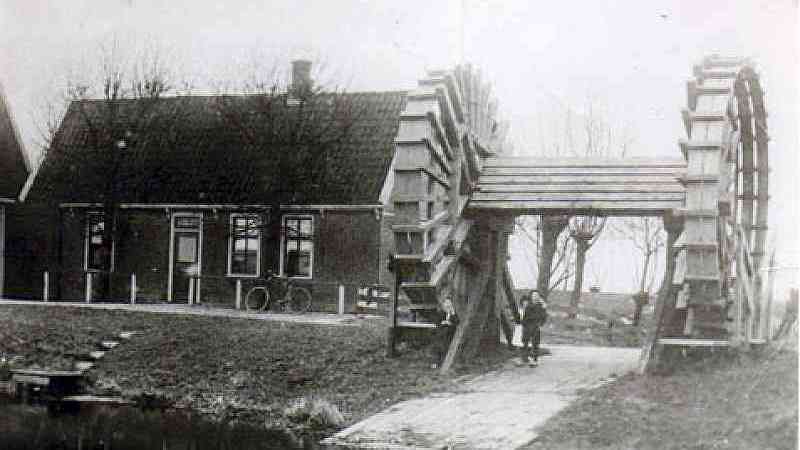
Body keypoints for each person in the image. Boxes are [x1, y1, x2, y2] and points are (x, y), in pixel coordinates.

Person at [520, 291, 548, 366]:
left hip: (536, 325)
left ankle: (534, 360)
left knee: (535, 343)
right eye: (534, 295)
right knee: (525, 342)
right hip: (527, 325)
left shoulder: (541, 306)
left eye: (537, 296)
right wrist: (523, 323)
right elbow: (524, 315)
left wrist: (541, 324)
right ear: (531, 297)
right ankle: (524, 358)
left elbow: (544, 316)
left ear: (539, 297)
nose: (535, 297)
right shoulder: (528, 305)